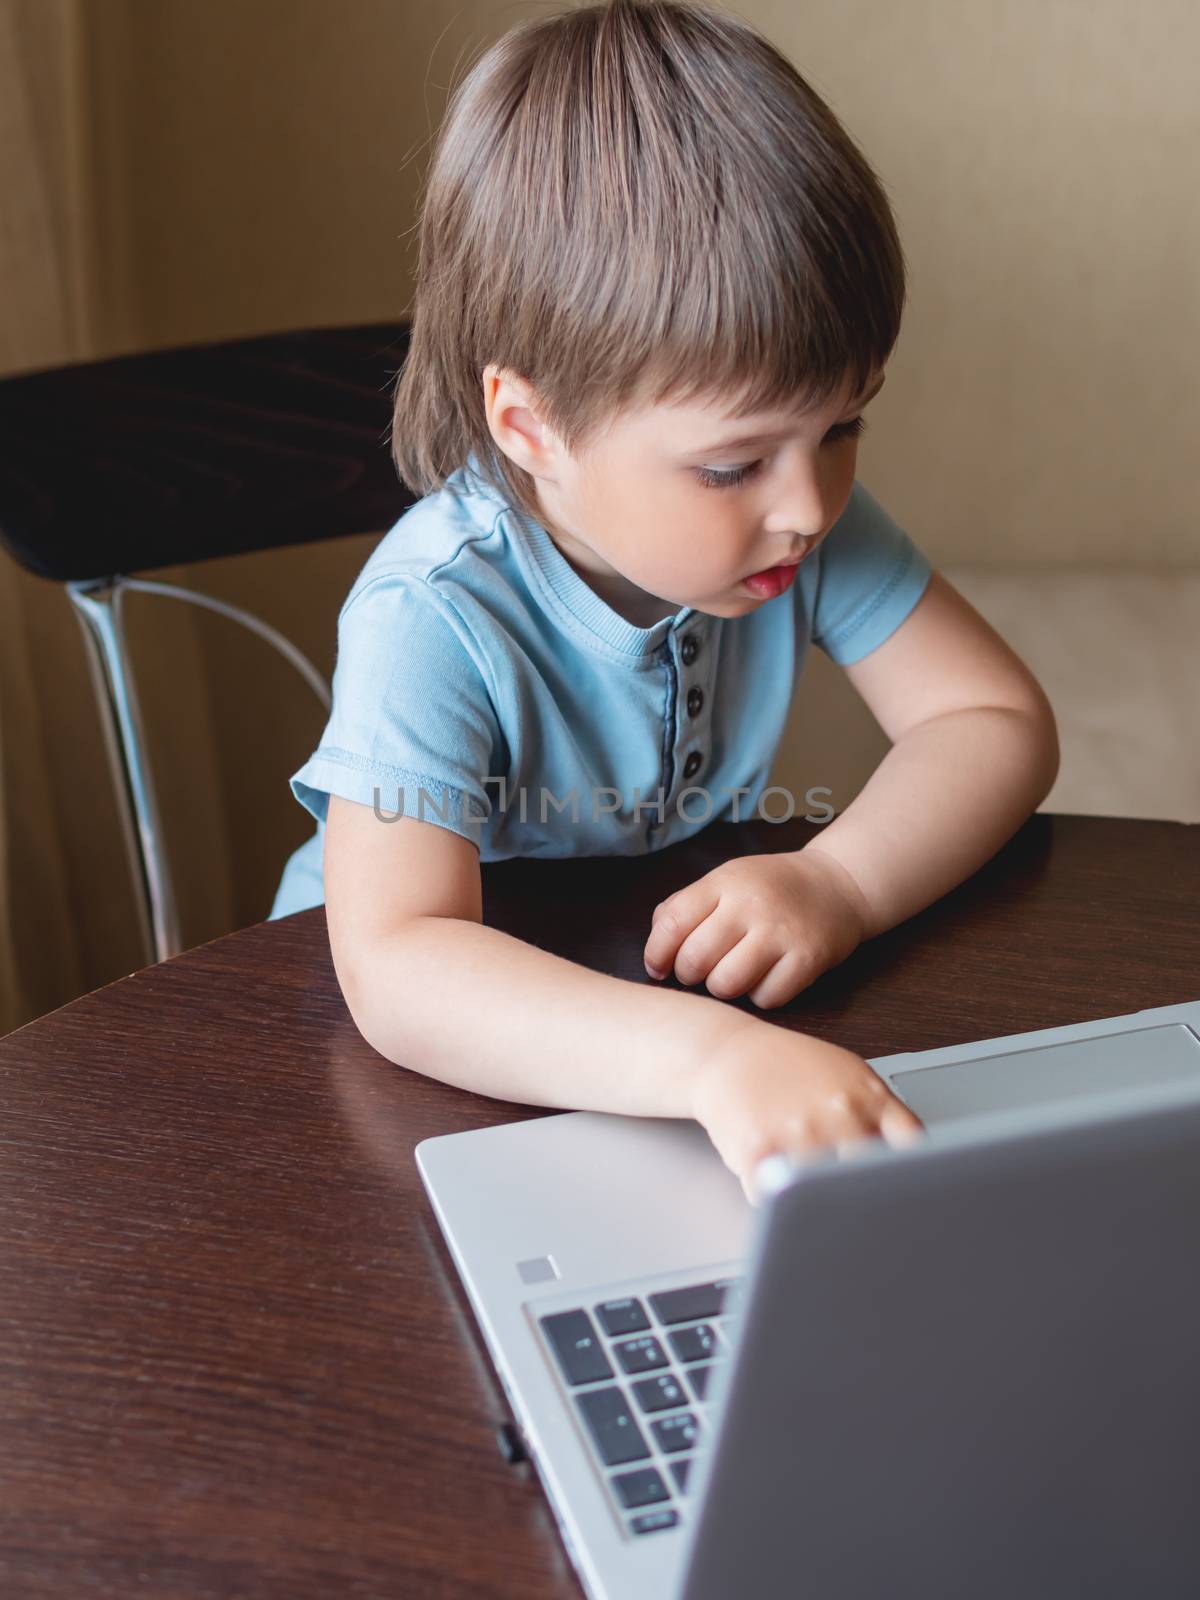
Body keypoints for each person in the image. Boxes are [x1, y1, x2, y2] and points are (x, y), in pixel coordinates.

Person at [268, 0, 1059, 1203]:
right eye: (734, 464)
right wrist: (711, 1057)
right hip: (393, 1070)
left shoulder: (791, 526)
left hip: (622, 995)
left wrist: (838, 882)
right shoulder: (432, 614)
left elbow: (992, 723)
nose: (808, 500)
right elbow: (400, 963)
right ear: (531, 425)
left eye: (843, 423)